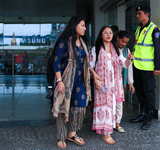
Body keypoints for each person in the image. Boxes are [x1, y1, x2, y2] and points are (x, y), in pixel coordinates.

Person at [50, 16, 94, 148]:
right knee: (63, 109)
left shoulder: (84, 43)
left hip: (80, 80)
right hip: (65, 80)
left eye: (85, 26)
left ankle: (72, 133)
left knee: (80, 108)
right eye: (82, 25)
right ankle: (61, 136)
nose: (85, 28)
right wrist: (59, 81)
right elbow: (56, 63)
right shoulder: (64, 42)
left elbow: (87, 63)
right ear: (74, 26)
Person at [90, 26, 134, 144]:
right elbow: (90, 65)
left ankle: (107, 132)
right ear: (101, 35)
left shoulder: (115, 49)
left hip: (114, 84)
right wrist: (95, 77)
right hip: (102, 83)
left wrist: (129, 59)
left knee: (111, 107)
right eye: (106, 33)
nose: (109, 35)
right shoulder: (96, 49)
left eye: (110, 33)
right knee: (103, 107)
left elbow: (123, 64)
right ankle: (107, 133)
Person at [129, 5, 160, 130]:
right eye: (137, 13)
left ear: (147, 14)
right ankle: (142, 114)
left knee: (149, 93)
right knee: (140, 92)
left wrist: (157, 67)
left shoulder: (154, 29)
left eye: (139, 13)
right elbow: (138, 47)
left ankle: (149, 117)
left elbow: (157, 50)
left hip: (148, 68)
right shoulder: (138, 29)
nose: (137, 15)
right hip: (137, 66)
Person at [115, 30, 135, 133]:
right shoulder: (111, 48)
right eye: (122, 41)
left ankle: (117, 123)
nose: (123, 44)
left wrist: (130, 83)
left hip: (120, 80)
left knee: (119, 102)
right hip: (109, 80)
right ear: (117, 38)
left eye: (126, 42)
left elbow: (129, 67)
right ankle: (110, 123)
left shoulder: (126, 51)